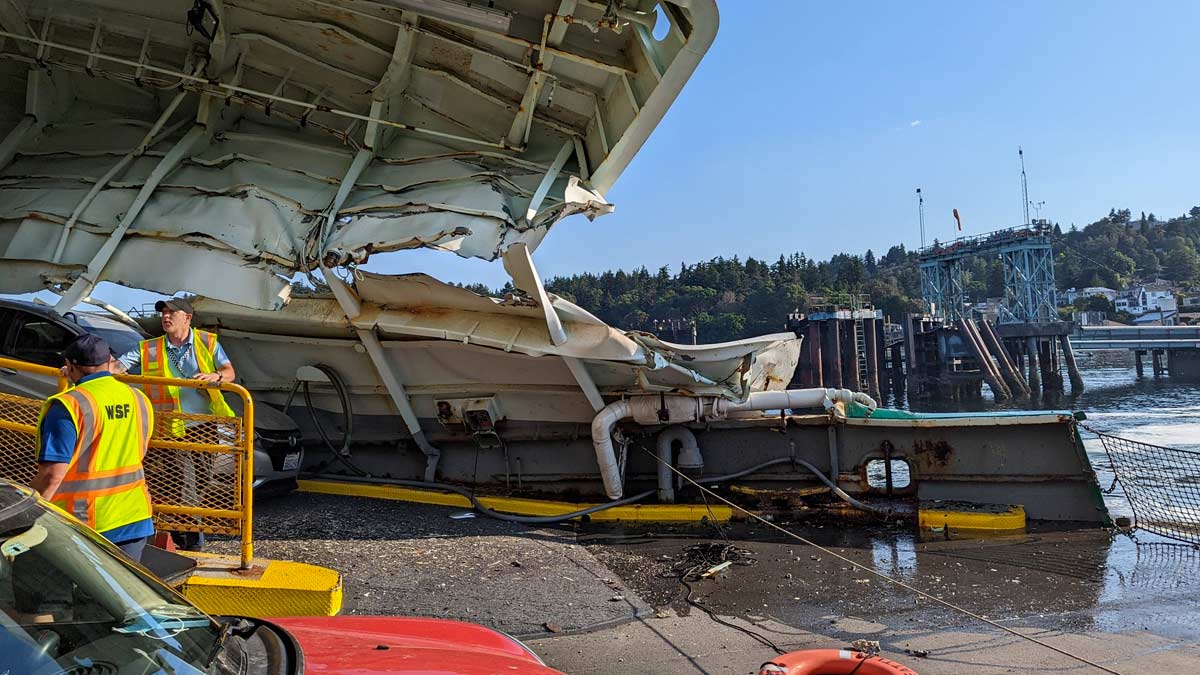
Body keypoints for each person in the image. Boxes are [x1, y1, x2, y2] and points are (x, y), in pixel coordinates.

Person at [113, 297, 236, 550]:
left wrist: (216, 376)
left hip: (202, 424)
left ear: (187, 318)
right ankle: (191, 539)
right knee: (181, 481)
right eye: (164, 313)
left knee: (200, 480)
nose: (165, 317)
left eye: (172, 313)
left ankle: (182, 531)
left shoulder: (206, 341)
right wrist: (99, 369)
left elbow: (229, 372)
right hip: (168, 426)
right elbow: (119, 365)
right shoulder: (149, 347)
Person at [33, 334, 154, 562]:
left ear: (69, 366)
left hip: (84, 523)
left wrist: (29, 514)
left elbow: (52, 476)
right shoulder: (137, 398)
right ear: (109, 361)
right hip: (134, 516)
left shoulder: (69, 405)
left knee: (60, 596)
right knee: (121, 595)